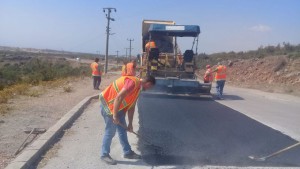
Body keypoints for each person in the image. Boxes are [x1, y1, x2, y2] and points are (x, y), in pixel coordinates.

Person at [99, 75, 156, 165]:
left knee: (122, 131)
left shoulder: (138, 89)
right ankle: (104, 154)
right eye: (150, 87)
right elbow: (118, 97)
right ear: (148, 83)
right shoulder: (132, 83)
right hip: (108, 106)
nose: (149, 89)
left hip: (118, 109)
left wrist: (130, 124)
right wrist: (114, 116)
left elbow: (132, 106)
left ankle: (127, 152)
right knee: (110, 132)